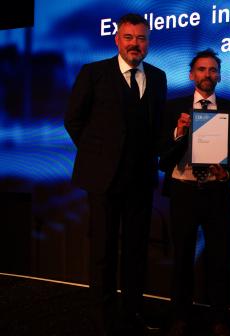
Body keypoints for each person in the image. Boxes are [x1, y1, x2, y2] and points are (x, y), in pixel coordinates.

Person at [64, 13, 167, 335]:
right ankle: (102, 318)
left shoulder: (158, 76)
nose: (135, 44)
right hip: (104, 180)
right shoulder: (93, 73)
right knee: (103, 254)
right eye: (129, 37)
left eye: (141, 38)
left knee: (136, 253)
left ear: (147, 42)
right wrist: (98, 156)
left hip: (140, 181)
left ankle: (132, 313)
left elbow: (153, 128)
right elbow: (73, 120)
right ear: (117, 39)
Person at [158, 49, 230, 336]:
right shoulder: (173, 108)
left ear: (218, 75)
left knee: (219, 257)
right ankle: (180, 316)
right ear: (191, 75)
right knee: (182, 256)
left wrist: (227, 170)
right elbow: (163, 158)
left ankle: (219, 317)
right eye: (202, 69)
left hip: (217, 192)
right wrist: (179, 133)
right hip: (184, 191)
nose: (208, 74)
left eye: (212, 70)